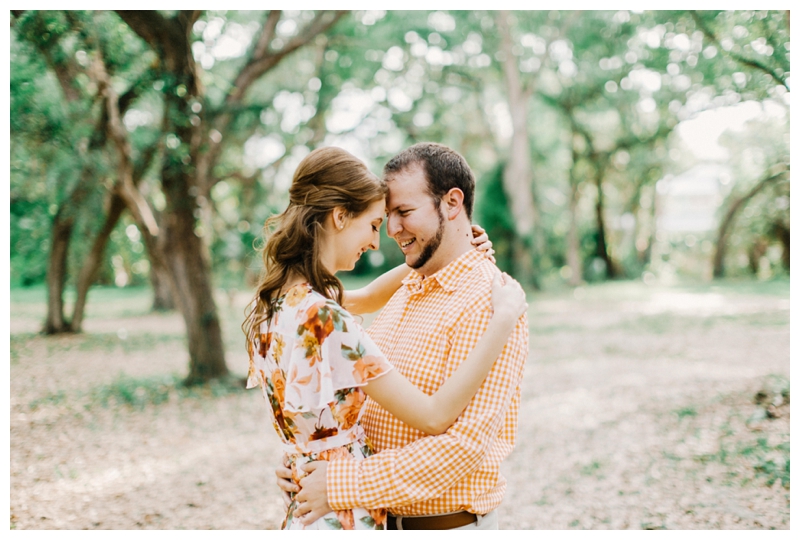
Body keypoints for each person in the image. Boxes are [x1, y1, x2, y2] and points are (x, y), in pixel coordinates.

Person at [244, 146, 527, 530]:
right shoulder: (330, 312)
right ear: (339, 217)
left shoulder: (490, 300)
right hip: (352, 517)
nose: (387, 235)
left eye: (403, 213)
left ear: (452, 203)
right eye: (380, 220)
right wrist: (312, 461)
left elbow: (462, 449)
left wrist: (331, 474)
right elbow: (414, 414)